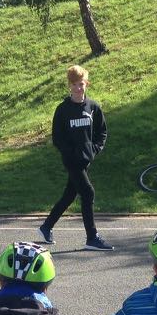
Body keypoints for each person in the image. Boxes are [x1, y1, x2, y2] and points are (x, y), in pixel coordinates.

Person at [39, 64, 113, 252]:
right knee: (88, 193)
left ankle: (46, 226)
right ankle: (92, 237)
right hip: (72, 161)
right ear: (69, 86)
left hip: (86, 159)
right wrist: (70, 153)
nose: (79, 88)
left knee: (69, 195)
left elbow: (101, 132)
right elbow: (58, 138)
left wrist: (94, 150)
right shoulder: (63, 110)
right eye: (75, 85)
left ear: (86, 83)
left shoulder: (93, 107)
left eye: (81, 84)